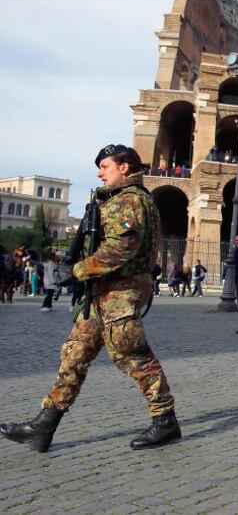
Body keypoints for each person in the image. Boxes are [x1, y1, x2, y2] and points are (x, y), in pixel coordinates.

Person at [1, 144, 181, 453]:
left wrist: (77, 270)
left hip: (120, 293)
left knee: (132, 355)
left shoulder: (129, 200)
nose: (99, 173)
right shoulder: (117, 199)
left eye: (105, 166)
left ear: (124, 167)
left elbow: (120, 250)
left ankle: (165, 420)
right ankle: (45, 424)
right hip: (102, 293)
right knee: (74, 355)